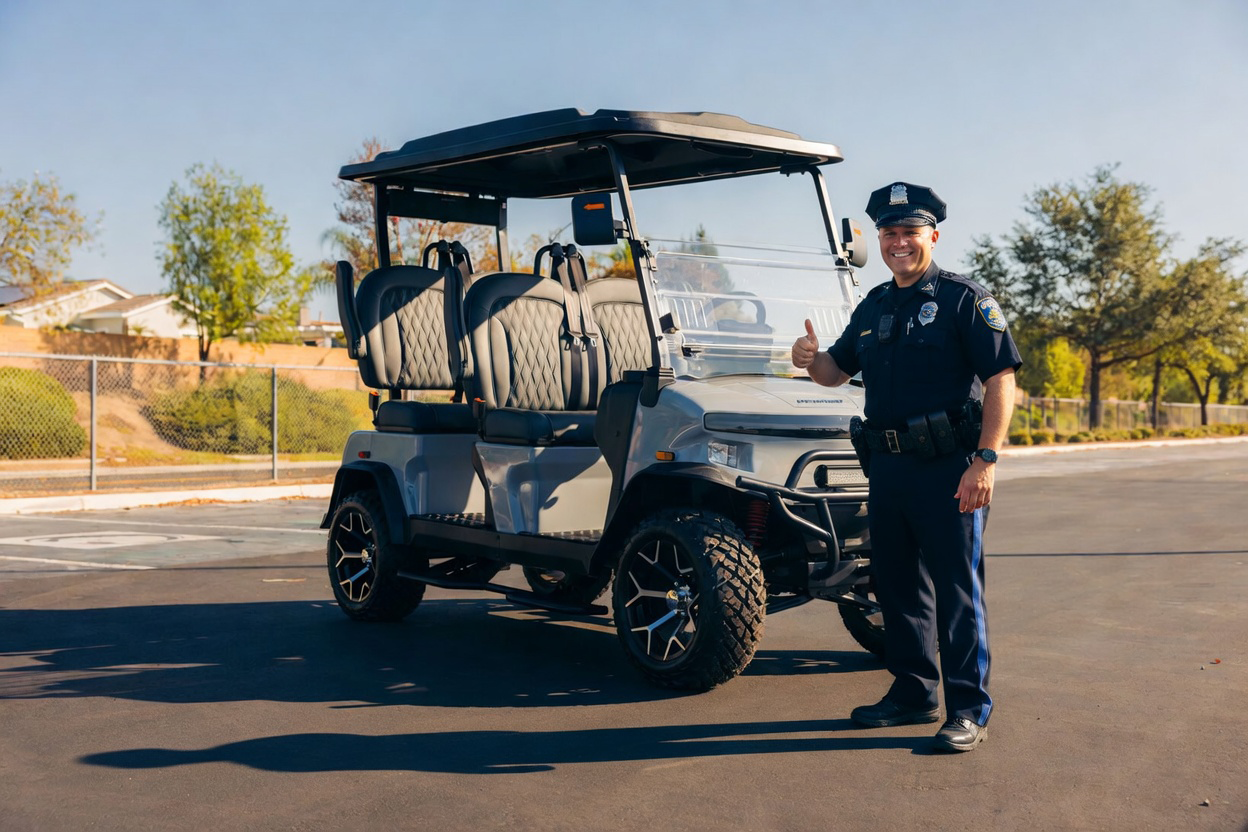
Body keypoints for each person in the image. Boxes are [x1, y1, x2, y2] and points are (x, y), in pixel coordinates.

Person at [791, 182, 1021, 752]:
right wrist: (807, 359)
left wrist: (986, 459)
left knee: (957, 593)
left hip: (951, 471)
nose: (898, 243)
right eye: (889, 233)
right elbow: (833, 372)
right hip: (887, 470)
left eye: (909, 233)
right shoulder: (874, 306)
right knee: (898, 588)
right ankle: (913, 693)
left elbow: (1001, 380)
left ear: (932, 236)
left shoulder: (965, 300)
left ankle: (968, 709)